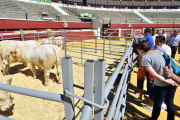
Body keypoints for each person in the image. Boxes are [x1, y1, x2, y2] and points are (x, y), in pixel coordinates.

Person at [136, 40, 178, 120]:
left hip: (161, 83)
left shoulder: (145, 58)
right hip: (173, 80)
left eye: (137, 49)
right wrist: (172, 79)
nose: (137, 51)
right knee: (170, 102)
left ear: (140, 49)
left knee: (157, 104)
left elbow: (154, 74)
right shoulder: (158, 50)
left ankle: (153, 119)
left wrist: (167, 81)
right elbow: (173, 60)